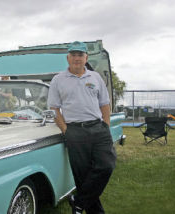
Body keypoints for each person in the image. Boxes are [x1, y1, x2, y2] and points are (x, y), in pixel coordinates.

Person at [47, 41, 116, 214]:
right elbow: (54, 108)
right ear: (68, 58)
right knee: (83, 175)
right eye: (74, 55)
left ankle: (78, 201)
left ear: (86, 58)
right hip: (75, 131)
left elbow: (105, 104)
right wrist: (66, 130)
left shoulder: (95, 77)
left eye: (80, 55)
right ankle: (87, 210)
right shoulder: (58, 80)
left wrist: (105, 125)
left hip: (98, 128)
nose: (77, 58)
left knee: (106, 166)